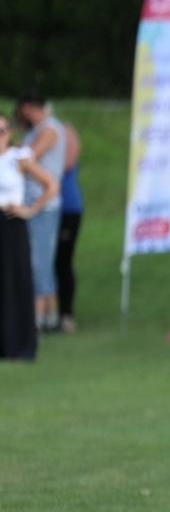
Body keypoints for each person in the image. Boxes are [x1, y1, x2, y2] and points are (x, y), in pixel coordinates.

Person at [0, 113, 56, 360]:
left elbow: (51, 184)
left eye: (2, 131)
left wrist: (30, 209)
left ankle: (18, 344)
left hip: (12, 222)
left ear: (9, 134)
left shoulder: (17, 159)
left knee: (16, 278)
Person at [14, 93, 65, 332]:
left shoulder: (49, 130)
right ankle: (50, 317)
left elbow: (28, 158)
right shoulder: (47, 128)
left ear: (27, 108)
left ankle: (41, 319)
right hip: (40, 204)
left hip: (43, 206)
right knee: (40, 261)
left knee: (39, 261)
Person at [53, 119, 83, 333]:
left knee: (62, 262)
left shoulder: (65, 131)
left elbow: (69, 163)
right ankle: (50, 313)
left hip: (66, 209)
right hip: (47, 209)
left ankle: (65, 314)